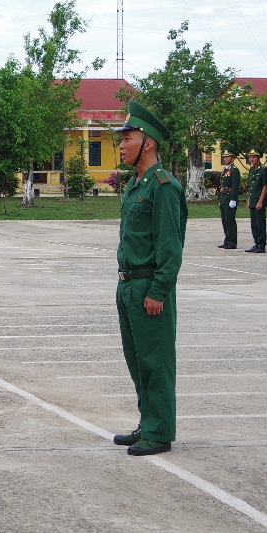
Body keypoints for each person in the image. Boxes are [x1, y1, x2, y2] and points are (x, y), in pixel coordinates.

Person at [112, 100, 186, 457]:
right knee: (138, 360)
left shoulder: (163, 186)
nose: (122, 145)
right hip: (128, 284)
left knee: (156, 361)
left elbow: (170, 247)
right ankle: (148, 422)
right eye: (121, 139)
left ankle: (159, 431)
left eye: (128, 138)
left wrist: (159, 290)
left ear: (149, 142)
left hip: (148, 287)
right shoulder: (137, 184)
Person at [244, 148, 267, 253]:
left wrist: (260, 201)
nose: (251, 159)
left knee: (260, 224)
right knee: (253, 224)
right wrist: (249, 201)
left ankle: (261, 244)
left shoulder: (263, 169)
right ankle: (256, 243)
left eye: (254, 157)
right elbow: (251, 187)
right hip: (253, 199)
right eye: (250, 157)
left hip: (260, 200)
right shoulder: (251, 170)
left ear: (258, 158)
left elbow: (265, 186)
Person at [216, 148, 240, 249]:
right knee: (224, 221)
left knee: (230, 220)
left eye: (227, 157)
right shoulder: (225, 169)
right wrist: (220, 199)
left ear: (232, 158)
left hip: (230, 197)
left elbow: (235, 186)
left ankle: (232, 242)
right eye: (224, 157)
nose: (225, 159)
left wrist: (233, 199)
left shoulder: (234, 170)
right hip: (223, 198)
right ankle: (227, 239)